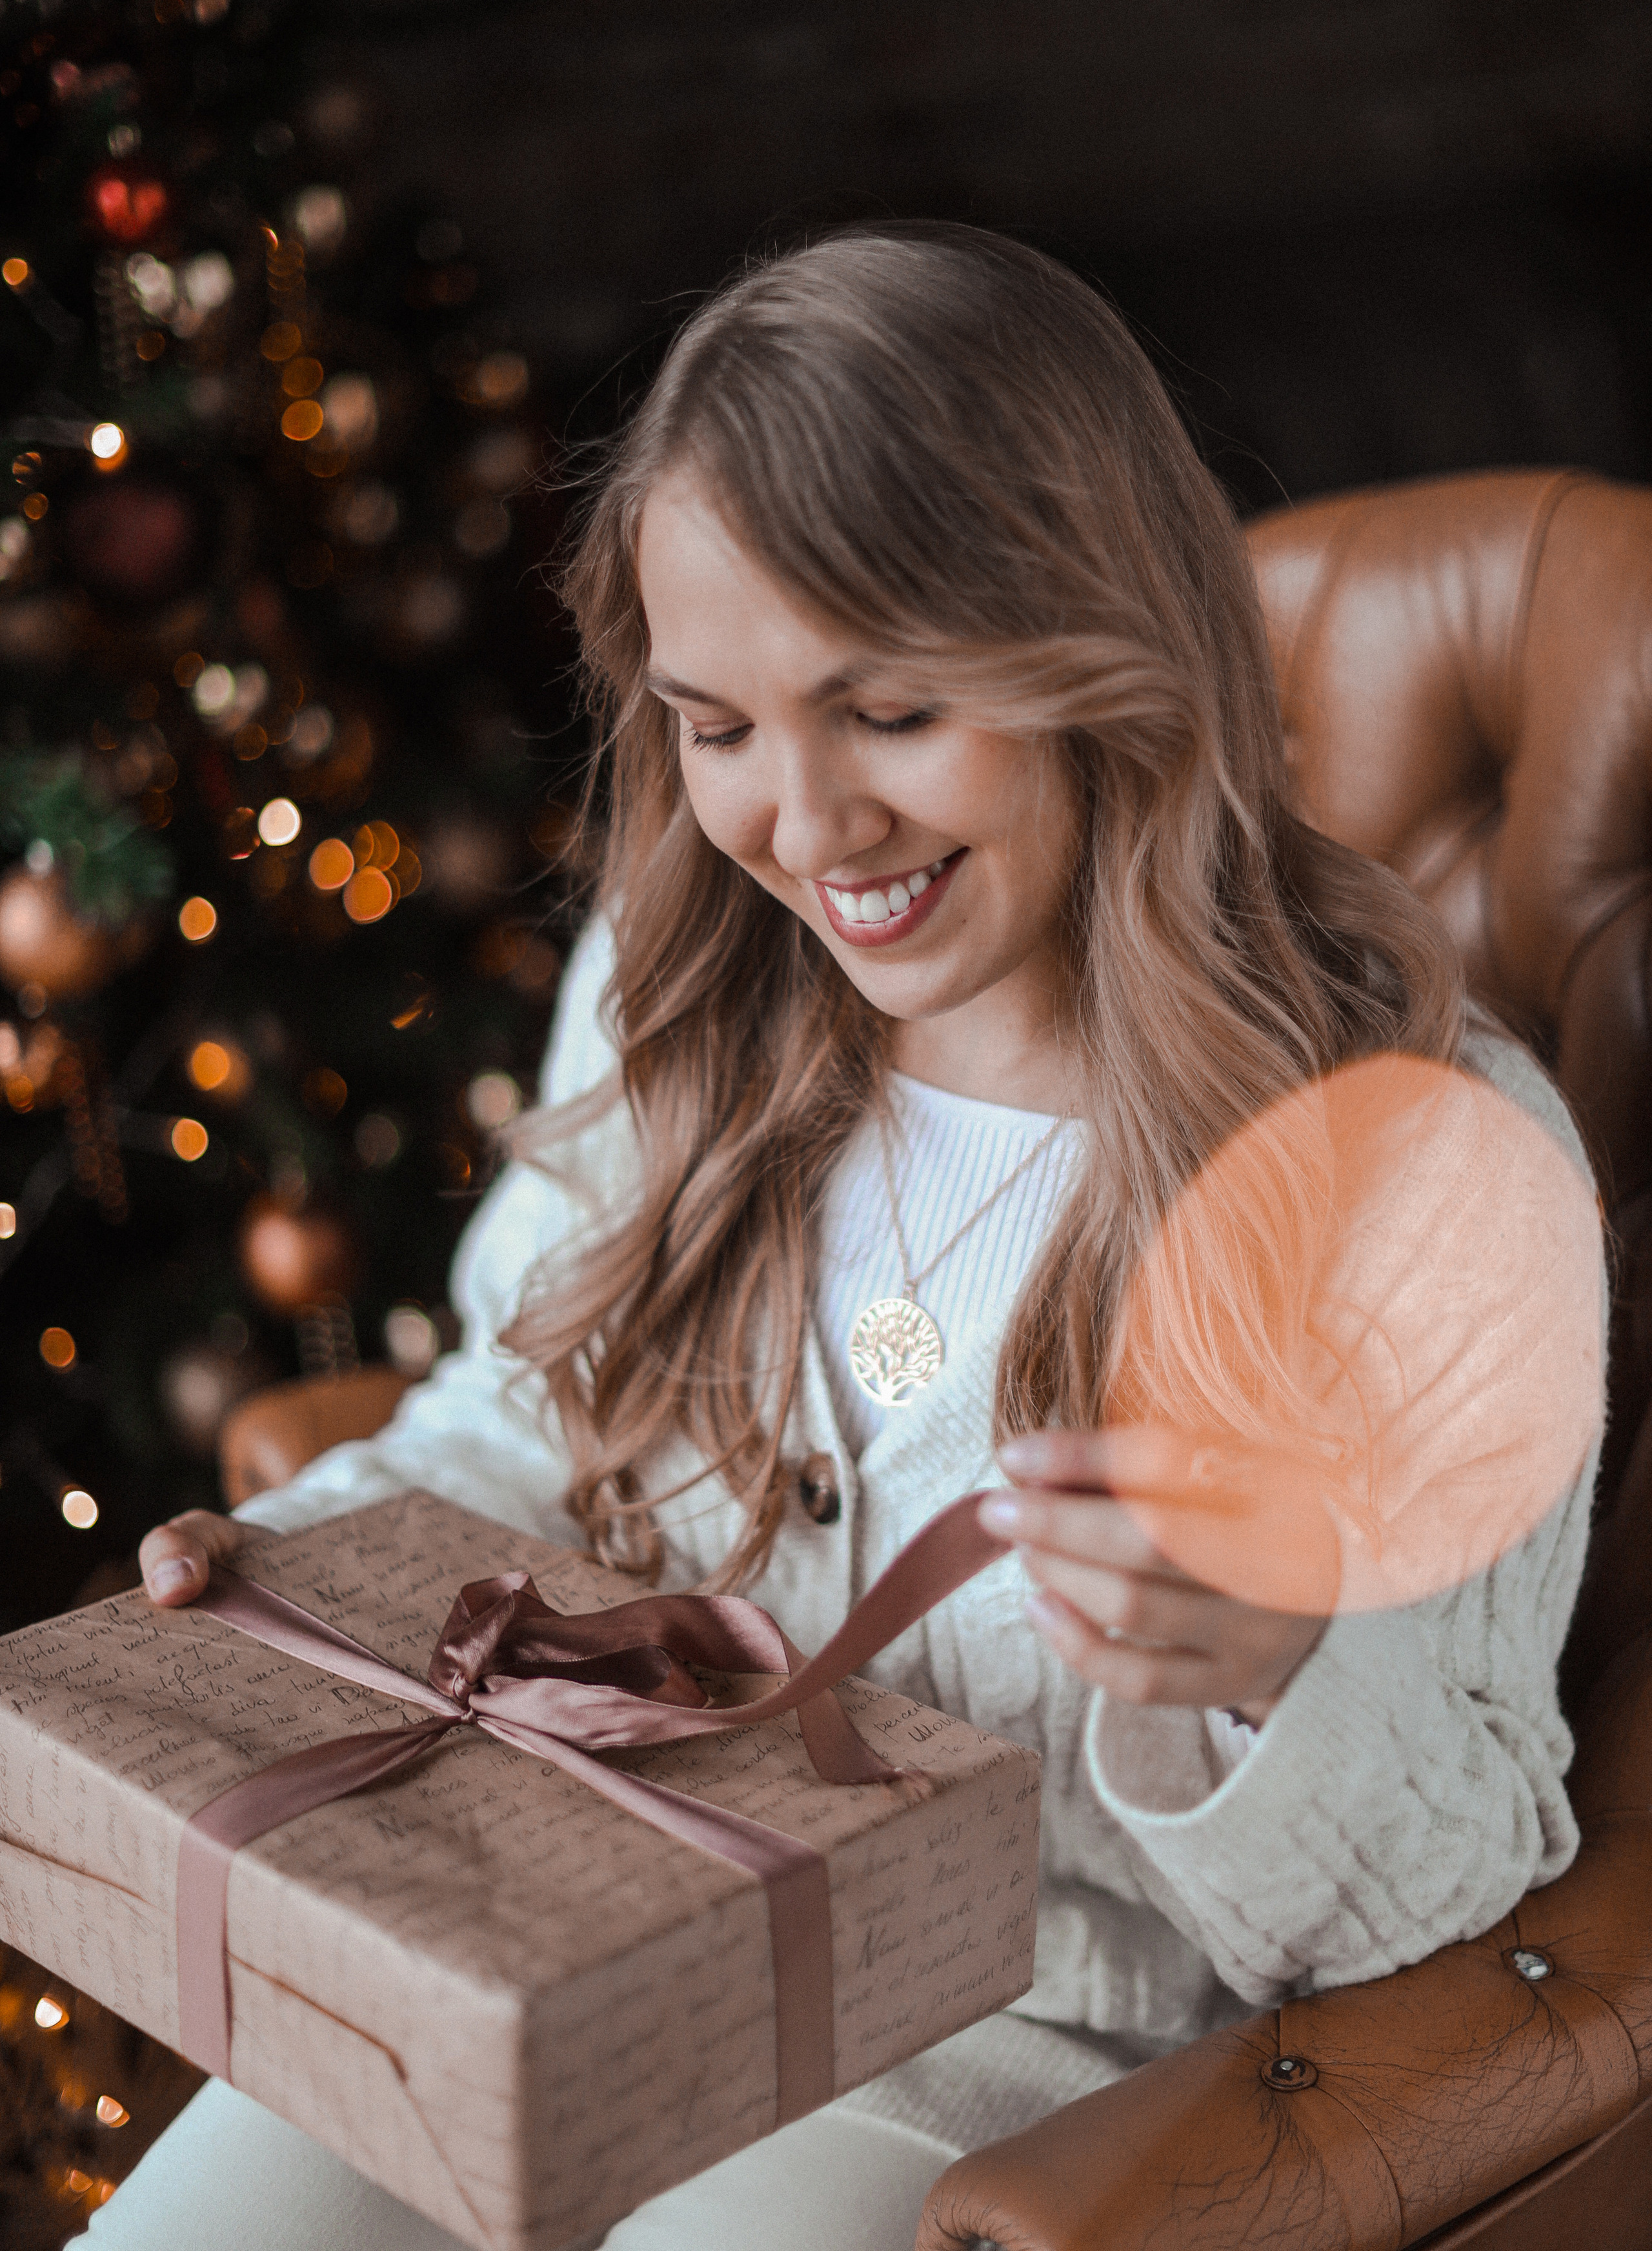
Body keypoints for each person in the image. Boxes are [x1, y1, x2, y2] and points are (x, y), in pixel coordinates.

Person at [100, 224, 1604, 2251]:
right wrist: (297, 1567)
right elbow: (522, 1427)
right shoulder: (681, 982)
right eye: (719, 727)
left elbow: (1463, 1878)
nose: (804, 830)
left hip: (1016, 2072)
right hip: (589, 1929)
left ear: (1102, 653)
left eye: (887, 710)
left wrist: (1270, 1671)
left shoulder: (1422, 1161)